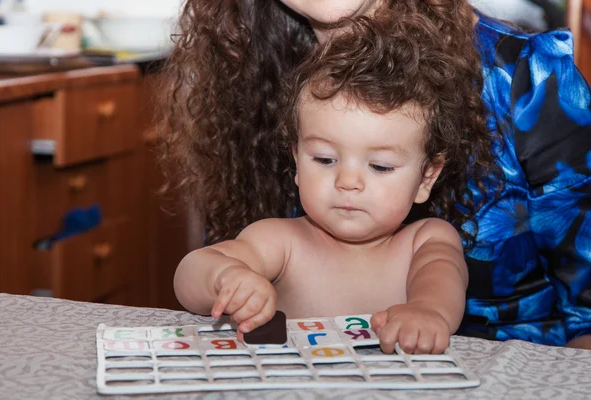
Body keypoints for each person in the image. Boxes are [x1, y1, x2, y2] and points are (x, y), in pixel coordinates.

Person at [160, 0, 591, 349]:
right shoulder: (277, 237)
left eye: (381, 166)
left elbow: (439, 285)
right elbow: (206, 274)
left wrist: (428, 313)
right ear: (294, 155)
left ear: (428, 175)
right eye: (324, 159)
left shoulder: (426, 240)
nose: (349, 181)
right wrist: (226, 280)